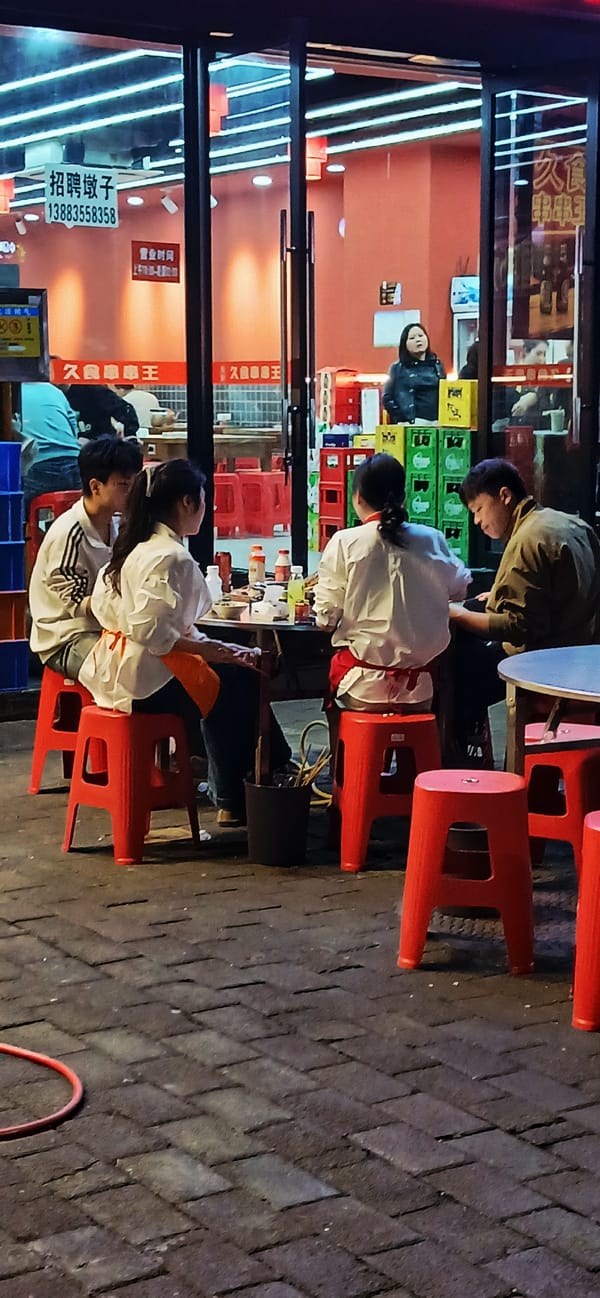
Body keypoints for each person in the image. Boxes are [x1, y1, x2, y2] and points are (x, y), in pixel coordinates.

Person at [80, 458, 291, 826]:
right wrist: (217, 651)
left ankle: (253, 775)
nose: (205, 508)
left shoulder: (134, 546)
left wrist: (224, 650)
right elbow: (153, 633)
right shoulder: (169, 557)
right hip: (140, 681)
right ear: (187, 503)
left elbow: (151, 623)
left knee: (234, 672)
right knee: (238, 685)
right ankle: (232, 795)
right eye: (204, 500)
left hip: (114, 669)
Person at [449, 457, 600, 753]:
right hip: (586, 655)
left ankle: (457, 758)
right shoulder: (570, 523)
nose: (477, 521)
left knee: (455, 662)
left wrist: (457, 614)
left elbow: (518, 626)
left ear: (504, 496)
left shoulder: (527, 539)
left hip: (550, 665)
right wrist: (496, 595)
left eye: (479, 509)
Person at [314, 453, 470, 732]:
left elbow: (325, 620)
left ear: (357, 497)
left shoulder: (345, 542)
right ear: (404, 497)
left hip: (361, 688)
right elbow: (459, 590)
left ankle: (349, 773)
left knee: (335, 695)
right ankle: (413, 772)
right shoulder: (432, 539)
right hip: (420, 689)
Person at [29, 436, 143, 682]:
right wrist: (128, 609)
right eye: (124, 485)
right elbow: (76, 604)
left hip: (105, 627)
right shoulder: (69, 534)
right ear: (95, 486)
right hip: (65, 636)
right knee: (128, 676)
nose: (132, 493)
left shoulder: (116, 525)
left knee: (155, 663)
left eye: (135, 484)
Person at [19, 380, 82, 512]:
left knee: (22, 516)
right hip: (74, 461)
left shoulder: (10, 395)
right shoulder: (53, 391)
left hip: (37, 464)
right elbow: (73, 427)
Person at [383, 323, 446, 425]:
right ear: (405, 344)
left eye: (421, 336)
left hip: (437, 423)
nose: (418, 340)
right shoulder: (397, 368)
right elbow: (387, 398)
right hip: (412, 424)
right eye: (412, 338)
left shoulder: (437, 365)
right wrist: (402, 418)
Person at [66, 384, 140, 442]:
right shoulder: (59, 395)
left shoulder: (96, 391)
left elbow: (126, 411)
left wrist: (129, 435)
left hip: (99, 446)